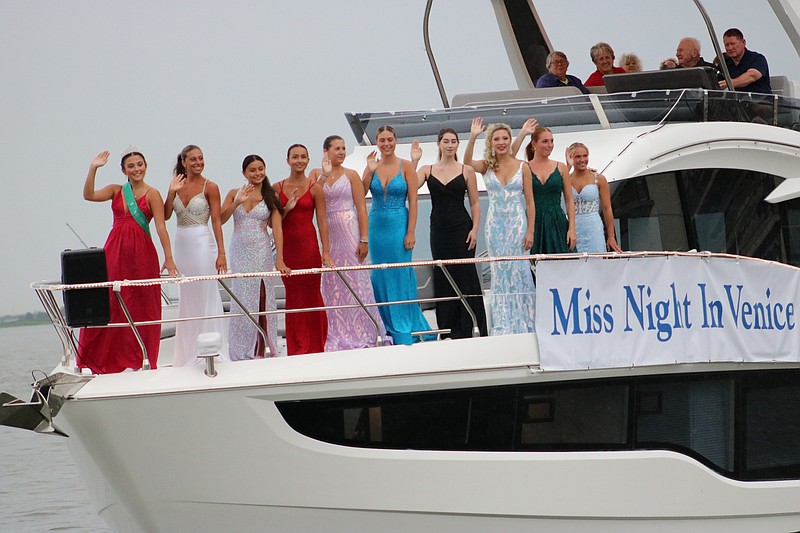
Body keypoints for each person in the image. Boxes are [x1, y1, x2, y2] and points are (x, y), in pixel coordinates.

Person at [78, 149, 178, 374]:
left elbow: (161, 227)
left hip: (142, 253)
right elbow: (89, 195)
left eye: (140, 164)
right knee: (111, 300)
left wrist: (169, 258)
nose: (136, 169)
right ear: (124, 170)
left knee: (143, 304)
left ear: (146, 166)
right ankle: (104, 359)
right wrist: (93, 168)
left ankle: (140, 357)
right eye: (131, 166)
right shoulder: (116, 190)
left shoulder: (153, 193)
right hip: (114, 250)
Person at [308, 135, 389, 350]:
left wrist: (364, 239)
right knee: (333, 282)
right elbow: (311, 197)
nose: (342, 152)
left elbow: (362, 208)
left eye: (343, 148)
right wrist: (324, 177)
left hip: (350, 229)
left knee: (356, 279)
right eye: (337, 148)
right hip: (328, 232)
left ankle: (365, 329)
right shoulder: (316, 174)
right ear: (326, 151)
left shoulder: (351, 175)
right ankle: (335, 330)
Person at [361, 126, 433, 345]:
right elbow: (361, 192)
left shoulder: (407, 166)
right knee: (379, 275)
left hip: (399, 224)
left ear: (395, 141)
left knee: (400, 273)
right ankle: (386, 325)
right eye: (382, 140)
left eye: (390, 139)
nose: (386, 144)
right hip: (377, 226)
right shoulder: (373, 166)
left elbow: (413, 201)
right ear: (376, 142)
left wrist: (411, 231)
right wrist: (368, 170)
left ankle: (405, 323)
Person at [464, 118, 536, 335]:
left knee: (519, 271)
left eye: (505, 138)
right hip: (495, 226)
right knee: (500, 273)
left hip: (517, 224)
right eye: (497, 139)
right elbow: (466, 162)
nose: (502, 142)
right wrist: (473, 136)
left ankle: (526, 322)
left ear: (510, 140)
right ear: (491, 142)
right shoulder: (487, 165)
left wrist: (530, 230)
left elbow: (530, 202)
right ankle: (504, 323)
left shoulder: (523, 167)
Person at [417, 128, 488, 339]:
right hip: (439, 230)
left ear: (457, 144)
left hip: (462, 228)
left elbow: (475, 203)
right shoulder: (427, 169)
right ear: (439, 143)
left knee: (466, 276)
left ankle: (473, 327)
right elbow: (409, 185)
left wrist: (475, 229)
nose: (449, 145)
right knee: (444, 274)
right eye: (446, 141)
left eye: (453, 141)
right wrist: (414, 160)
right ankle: (448, 329)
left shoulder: (467, 171)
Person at [165, 144, 230, 366]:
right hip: (181, 243)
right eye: (193, 159)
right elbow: (165, 215)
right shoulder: (176, 185)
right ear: (184, 162)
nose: (198, 163)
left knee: (206, 292)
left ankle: (211, 349)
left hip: (203, 243)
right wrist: (171, 191)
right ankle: (187, 352)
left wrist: (221, 253)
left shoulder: (210, 187)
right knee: (188, 295)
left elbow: (216, 221)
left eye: (201, 158)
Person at [221, 154, 289, 360]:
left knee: (261, 295)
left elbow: (277, 228)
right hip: (239, 250)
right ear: (244, 173)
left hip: (261, 250)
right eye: (253, 170)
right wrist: (237, 202)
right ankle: (241, 349)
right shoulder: (234, 192)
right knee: (242, 296)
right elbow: (221, 218)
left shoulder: (271, 196)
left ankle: (263, 347)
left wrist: (280, 259)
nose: (257, 173)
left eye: (261, 169)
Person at [275, 144, 331, 355]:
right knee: (294, 296)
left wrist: (325, 251)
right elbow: (274, 224)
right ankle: (297, 345)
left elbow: (322, 222)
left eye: (303, 157)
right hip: (288, 249)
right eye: (295, 157)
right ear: (287, 160)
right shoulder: (276, 188)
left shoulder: (315, 188)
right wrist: (287, 208)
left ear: (308, 160)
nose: (299, 160)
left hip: (309, 248)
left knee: (311, 294)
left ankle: (317, 344)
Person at [513, 119, 576, 254]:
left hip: (557, 221)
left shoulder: (561, 167)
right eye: (545, 141)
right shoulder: (525, 167)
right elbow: (508, 157)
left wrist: (572, 228)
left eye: (552, 141)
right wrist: (523, 133)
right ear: (534, 144)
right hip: (533, 222)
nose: (550, 145)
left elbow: (569, 201)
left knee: (564, 265)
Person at [566, 143, 622, 253]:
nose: (582, 160)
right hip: (573, 227)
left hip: (593, 226)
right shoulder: (566, 179)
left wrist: (611, 236)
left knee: (596, 260)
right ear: (571, 158)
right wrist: (568, 167)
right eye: (578, 157)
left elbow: (607, 208)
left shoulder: (598, 178)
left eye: (585, 156)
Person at [719, 28, 771, 94]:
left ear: (743, 42)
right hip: (736, 102)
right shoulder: (725, 64)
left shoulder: (757, 59)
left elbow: (752, 76)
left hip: (761, 102)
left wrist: (729, 83)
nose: (730, 48)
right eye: (727, 45)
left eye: (733, 44)